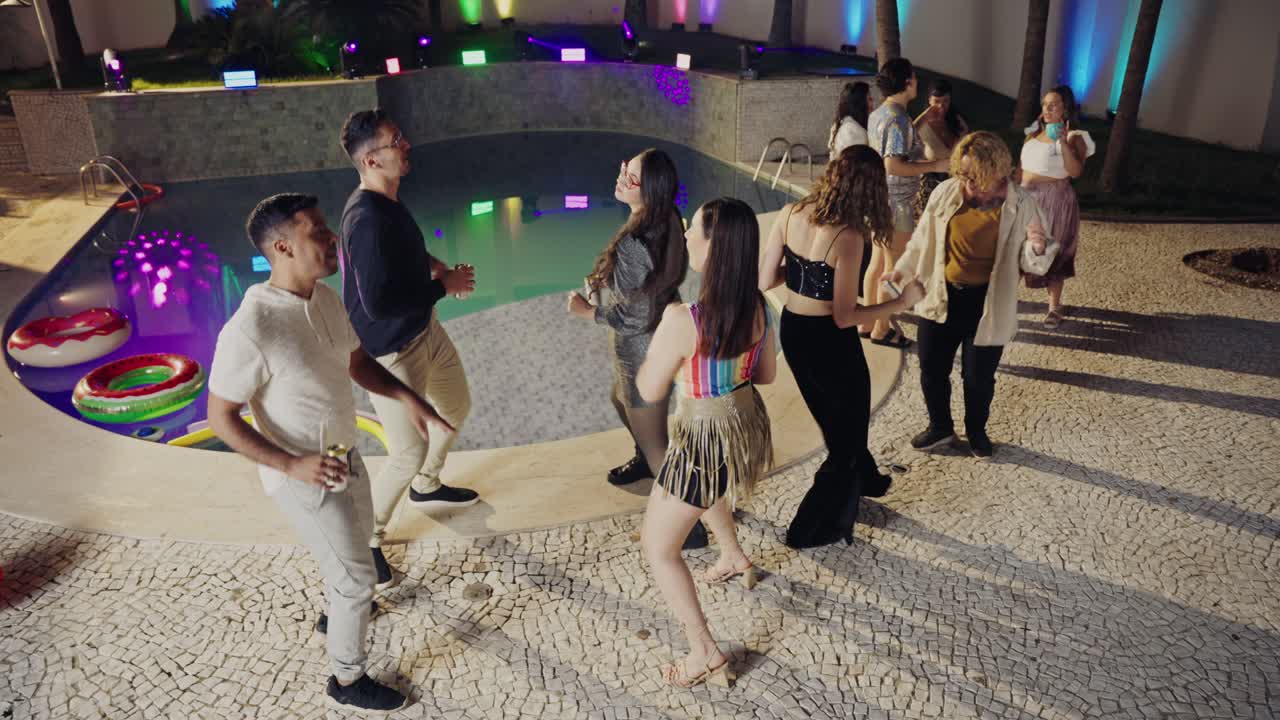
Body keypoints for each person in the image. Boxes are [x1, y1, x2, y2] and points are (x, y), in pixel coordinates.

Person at [208, 193, 454, 713]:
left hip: (343, 452)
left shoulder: (323, 298)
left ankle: (334, 613)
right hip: (302, 475)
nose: (331, 238)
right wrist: (291, 464)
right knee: (358, 578)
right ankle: (346, 679)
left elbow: (357, 362)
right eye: (317, 231)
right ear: (283, 247)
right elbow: (220, 417)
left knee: (357, 550)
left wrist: (410, 399)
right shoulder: (253, 327)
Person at [636, 197, 776, 689]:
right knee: (710, 487)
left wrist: (662, 344)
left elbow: (648, 389)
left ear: (715, 247)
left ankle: (705, 652)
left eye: (693, 228)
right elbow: (766, 374)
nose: (686, 234)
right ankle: (733, 555)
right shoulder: (759, 307)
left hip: (701, 439)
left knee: (658, 547)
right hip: (739, 431)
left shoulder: (684, 320)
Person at [338, 109, 480, 589]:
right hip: (389, 354)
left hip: (425, 333)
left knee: (455, 406)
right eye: (396, 140)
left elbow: (406, 253)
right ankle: (367, 540)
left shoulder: (388, 200)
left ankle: (427, 485)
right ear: (372, 160)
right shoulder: (366, 220)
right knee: (406, 451)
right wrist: (444, 287)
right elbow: (378, 305)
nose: (406, 144)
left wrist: (435, 267)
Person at [760, 145, 924, 549]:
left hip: (794, 332)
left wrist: (803, 270)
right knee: (847, 428)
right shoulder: (848, 237)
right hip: (829, 342)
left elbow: (765, 280)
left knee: (836, 417)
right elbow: (845, 317)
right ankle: (808, 528)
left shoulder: (790, 213)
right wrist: (901, 303)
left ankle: (867, 480)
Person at [888, 132, 1054, 458]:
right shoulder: (946, 192)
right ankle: (940, 427)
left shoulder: (1022, 204)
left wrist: (1038, 246)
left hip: (986, 304)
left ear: (996, 170)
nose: (967, 182)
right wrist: (900, 272)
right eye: (962, 173)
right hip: (941, 295)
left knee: (978, 378)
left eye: (974, 175)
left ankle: (977, 431)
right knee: (932, 369)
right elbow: (922, 240)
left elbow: (1034, 263)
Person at [865, 58, 951, 348]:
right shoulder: (898, 119)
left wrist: (922, 119)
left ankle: (867, 323)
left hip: (879, 199)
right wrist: (936, 165)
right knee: (894, 270)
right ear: (907, 82)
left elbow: (896, 143)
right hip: (897, 203)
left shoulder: (880, 113)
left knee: (878, 263)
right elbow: (893, 164)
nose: (916, 81)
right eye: (914, 77)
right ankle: (881, 329)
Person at [1020, 85, 1094, 329]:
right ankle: (1005, 302)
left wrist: (1062, 142)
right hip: (1025, 199)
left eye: (1053, 105)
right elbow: (1022, 168)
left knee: (1053, 252)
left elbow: (1076, 171)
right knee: (1016, 250)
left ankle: (1054, 307)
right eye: (1045, 104)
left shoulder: (1076, 137)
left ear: (1066, 108)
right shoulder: (1033, 133)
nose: (1047, 109)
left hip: (1054, 202)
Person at [914, 78, 970, 216]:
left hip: (956, 185)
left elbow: (969, 146)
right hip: (930, 188)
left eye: (946, 101)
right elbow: (906, 147)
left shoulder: (957, 121)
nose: (941, 106)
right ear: (929, 100)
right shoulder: (920, 126)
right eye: (937, 101)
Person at [828, 81, 873, 160]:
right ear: (860, 103)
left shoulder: (844, 124)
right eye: (869, 99)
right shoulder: (853, 131)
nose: (872, 104)